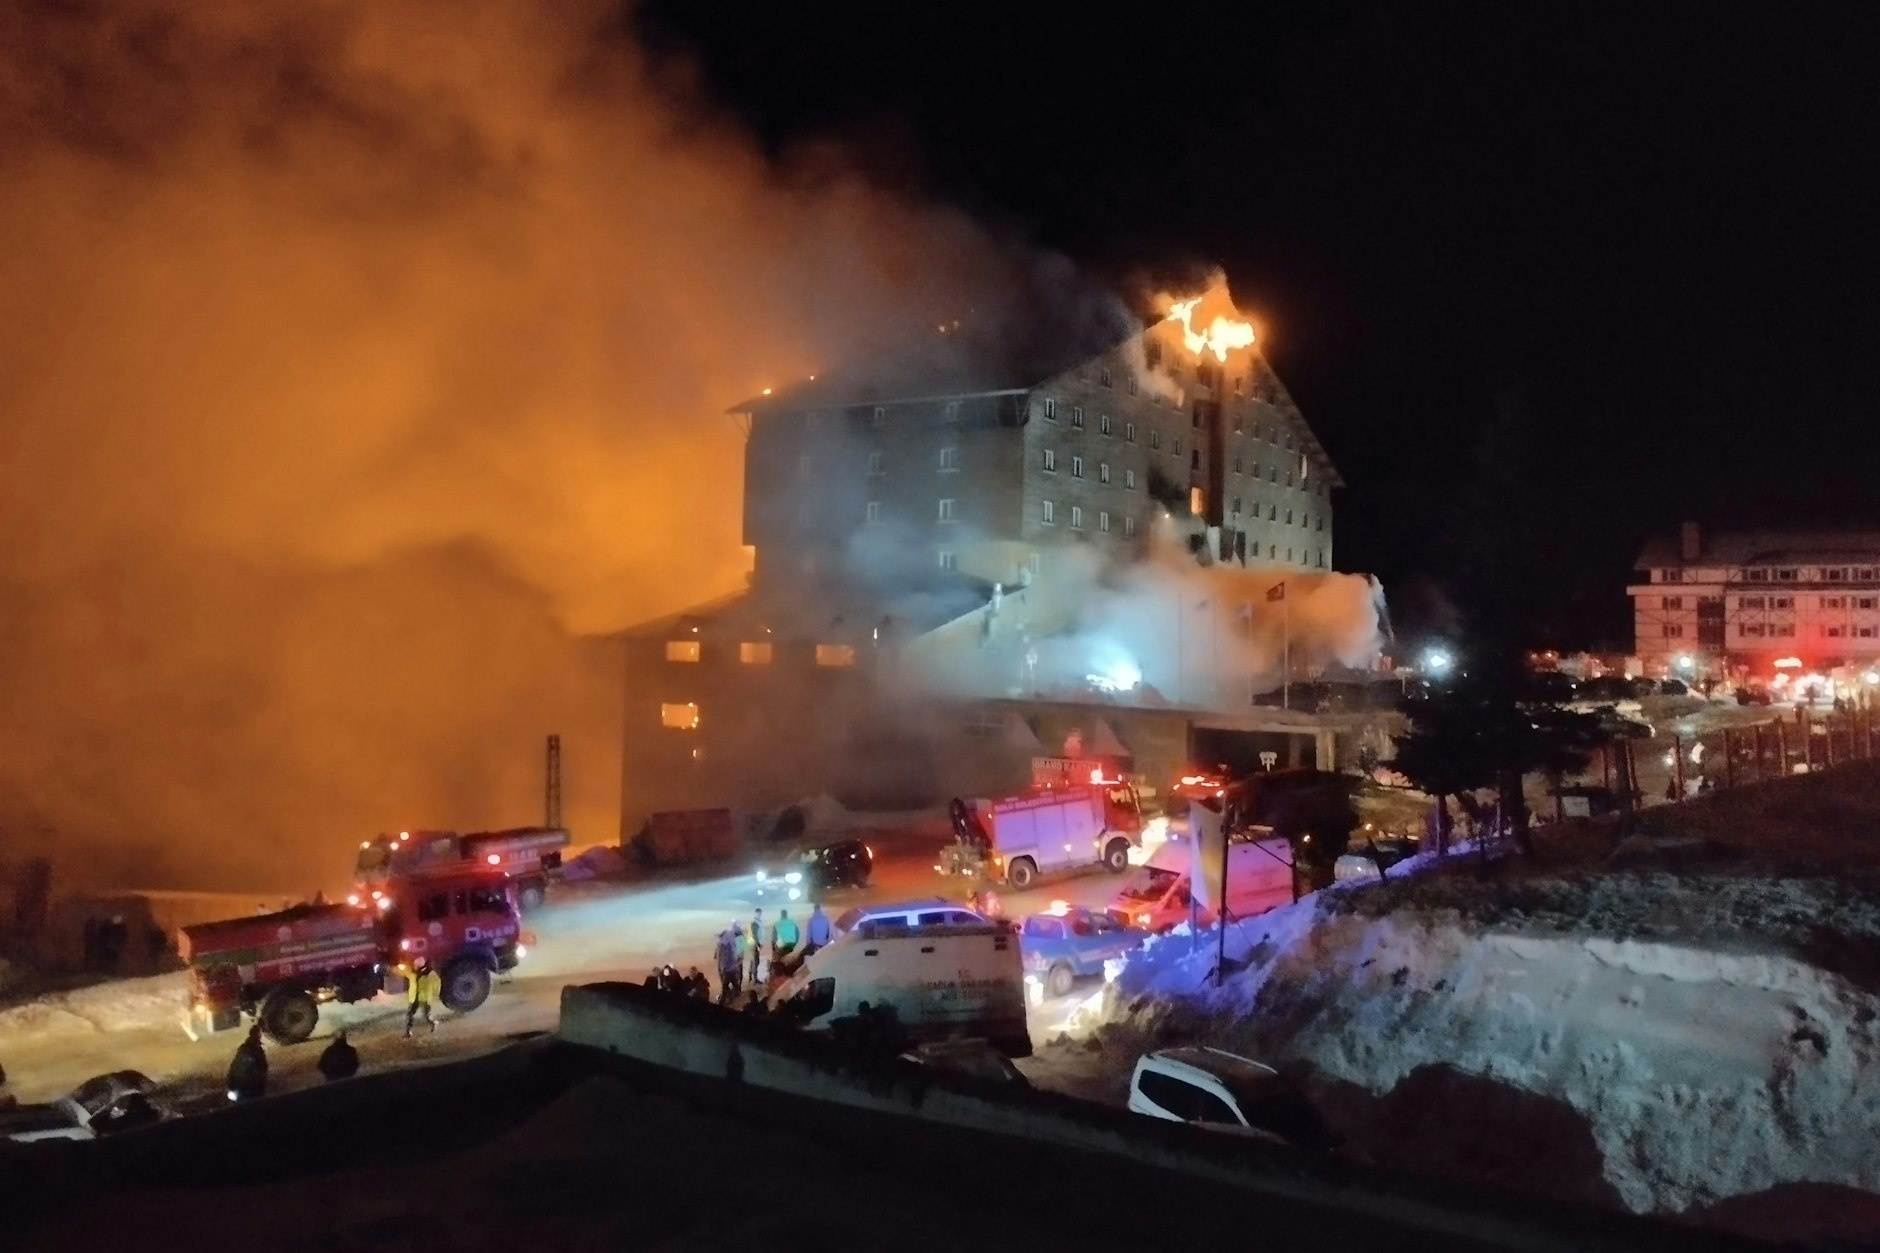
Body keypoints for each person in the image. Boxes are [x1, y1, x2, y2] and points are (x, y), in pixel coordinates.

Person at [226, 1024, 268, 1101]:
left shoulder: (248, 1049)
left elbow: (263, 1068)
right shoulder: (252, 1049)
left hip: (250, 1086)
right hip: (248, 1086)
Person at [404, 961, 440, 1038]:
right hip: (414, 997)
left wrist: (435, 994)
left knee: (426, 1016)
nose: (416, 965)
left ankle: (433, 1023)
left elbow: (437, 984)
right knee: (410, 1014)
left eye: (418, 963)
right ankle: (408, 1031)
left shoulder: (430, 974)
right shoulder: (413, 973)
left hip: (425, 998)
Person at [714, 924, 742, 1004]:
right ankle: (732, 998)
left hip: (726, 969)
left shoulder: (721, 945)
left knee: (726, 987)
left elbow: (718, 958)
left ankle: (724, 1001)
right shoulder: (729, 944)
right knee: (732, 985)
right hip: (730, 969)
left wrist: (720, 969)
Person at [746, 909, 766, 985]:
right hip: (754, 944)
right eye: (759, 913)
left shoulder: (755, 922)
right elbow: (755, 935)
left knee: (752, 960)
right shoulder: (755, 923)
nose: (760, 915)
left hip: (751, 944)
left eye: (760, 913)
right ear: (756, 914)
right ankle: (755, 979)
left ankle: (750, 977)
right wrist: (758, 945)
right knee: (756, 961)